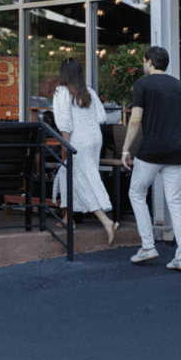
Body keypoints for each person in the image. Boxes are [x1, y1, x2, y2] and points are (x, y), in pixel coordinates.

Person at [121, 45, 181, 272]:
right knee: (175, 202)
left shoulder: (142, 84)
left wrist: (125, 149)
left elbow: (135, 119)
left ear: (150, 62)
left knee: (136, 193)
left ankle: (148, 247)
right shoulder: (179, 85)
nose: (143, 65)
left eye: (144, 61)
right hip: (174, 151)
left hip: (150, 151)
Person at [52, 59, 119, 245]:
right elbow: (102, 117)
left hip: (78, 141)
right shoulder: (89, 91)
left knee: (81, 180)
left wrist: (66, 147)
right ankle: (68, 217)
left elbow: (65, 124)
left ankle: (106, 220)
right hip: (95, 139)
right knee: (70, 174)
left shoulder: (61, 91)